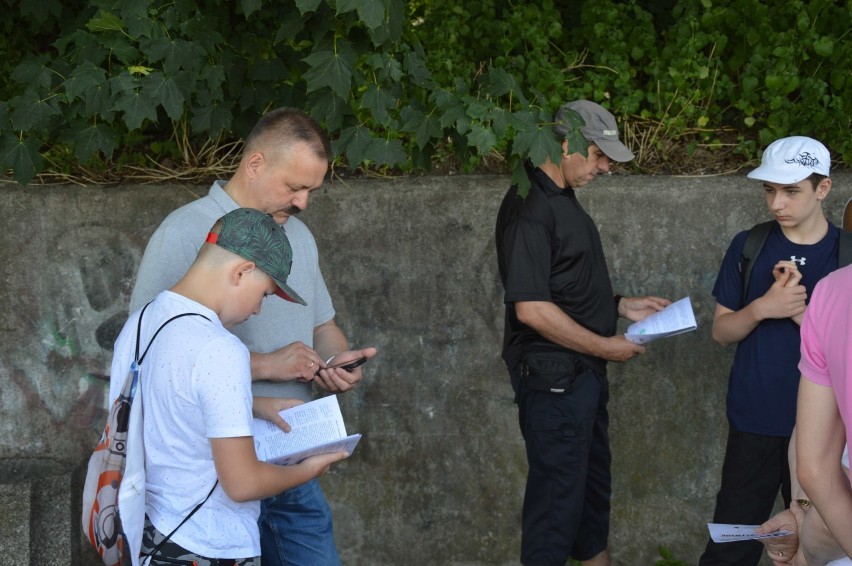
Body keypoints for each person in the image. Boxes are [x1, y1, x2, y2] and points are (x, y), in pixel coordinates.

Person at [129, 108, 376, 566]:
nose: (302, 202)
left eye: (311, 190)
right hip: (210, 468)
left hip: (292, 451)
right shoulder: (185, 231)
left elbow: (322, 324)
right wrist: (266, 365)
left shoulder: (297, 237)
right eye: (294, 186)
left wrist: (336, 358)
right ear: (255, 163)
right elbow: (146, 355)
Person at [110, 208, 349, 565]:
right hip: (208, 546)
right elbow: (242, 484)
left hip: (149, 535)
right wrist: (309, 470)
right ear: (242, 272)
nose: (256, 311)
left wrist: (256, 403)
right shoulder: (220, 348)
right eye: (265, 294)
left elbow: (170, 395)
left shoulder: (141, 322)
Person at [495, 99, 670, 566]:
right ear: (567, 141)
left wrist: (618, 306)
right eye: (599, 155)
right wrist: (606, 346)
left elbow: (559, 286)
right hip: (556, 380)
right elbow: (531, 308)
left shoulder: (559, 198)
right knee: (555, 514)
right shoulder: (531, 206)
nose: (606, 167)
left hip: (579, 377)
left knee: (589, 504)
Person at [700, 136, 842, 566]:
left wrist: (804, 316)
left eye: (791, 190)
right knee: (732, 543)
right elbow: (722, 333)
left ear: (823, 189)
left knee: (819, 545)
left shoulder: (846, 255)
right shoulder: (750, 245)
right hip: (755, 420)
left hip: (828, 432)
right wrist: (763, 307)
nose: (777, 203)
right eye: (769, 190)